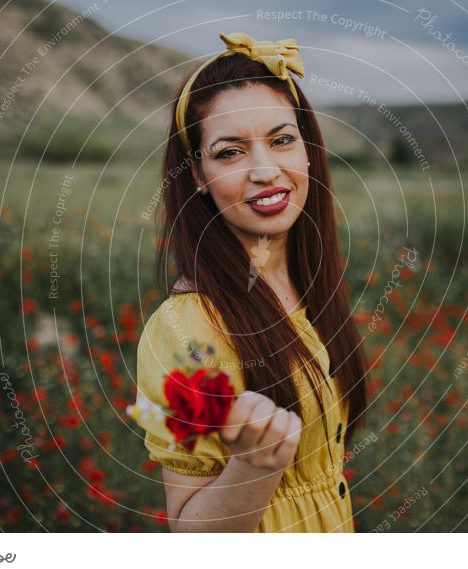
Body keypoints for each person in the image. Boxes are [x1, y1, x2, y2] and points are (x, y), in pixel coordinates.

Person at [135, 32, 368, 532]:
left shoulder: (307, 287)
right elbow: (190, 533)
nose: (266, 171)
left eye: (282, 140)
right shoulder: (184, 331)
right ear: (197, 174)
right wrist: (254, 464)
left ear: (307, 151)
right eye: (230, 152)